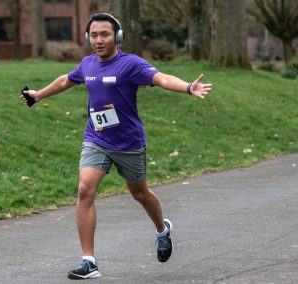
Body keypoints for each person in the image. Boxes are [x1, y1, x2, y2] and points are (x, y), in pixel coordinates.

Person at [21, 13, 212, 280]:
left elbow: (161, 78)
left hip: (129, 143)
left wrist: (188, 87)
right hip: (97, 138)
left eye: (105, 35)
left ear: (117, 37)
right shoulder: (87, 64)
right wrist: (39, 94)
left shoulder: (130, 64)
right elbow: (67, 79)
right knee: (85, 190)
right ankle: (89, 261)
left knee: (140, 193)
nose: (99, 40)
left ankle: (162, 230)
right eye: (94, 35)